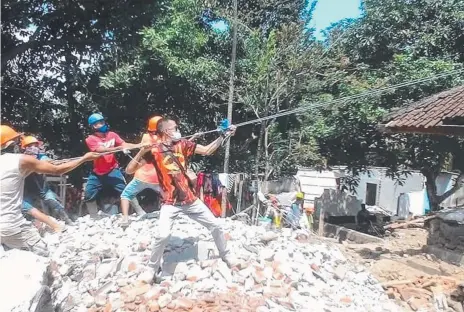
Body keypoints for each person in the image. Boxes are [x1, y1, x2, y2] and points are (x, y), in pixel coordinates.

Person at [137, 118, 238, 283]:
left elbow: (206, 150)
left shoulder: (183, 144)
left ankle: (227, 255)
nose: (178, 130)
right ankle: (151, 269)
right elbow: (129, 169)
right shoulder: (154, 151)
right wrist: (141, 152)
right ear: (165, 131)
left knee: (216, 225)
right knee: (162, 236)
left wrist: (224, 136)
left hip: (190, 200)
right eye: (174, 128)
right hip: (170, 202)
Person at [0, 125, 99, 256]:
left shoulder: (23, 160)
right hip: (11, 226)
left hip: (11, 218)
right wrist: (84, 159)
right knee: (42, 254)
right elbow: (58, 170)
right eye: (18, 141)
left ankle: (64, 222)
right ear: (10, 144)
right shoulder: (21, 160)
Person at [120, 116, 201, 226]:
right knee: (171, 197)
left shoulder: (146, 138)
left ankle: (125, 218)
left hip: (142, 176)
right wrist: (191, 139)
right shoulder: (165, 139)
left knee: (126, 195)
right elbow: (177, 147)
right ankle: (182, 213)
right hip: (158, 178)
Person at [83, 113, 141, 218]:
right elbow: (101, 151)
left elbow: (124, 144)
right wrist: (119, 148)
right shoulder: (90, 139)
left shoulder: (112, 135)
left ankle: (140, 211)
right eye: (98, 123)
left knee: (126, 190)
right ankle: (93, 217)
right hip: (97, 173)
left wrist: (139, 145)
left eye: (102, 122)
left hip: (113, 170)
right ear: (93, 127)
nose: (102, 124)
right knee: (88, 193)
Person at [21, 136, 75, 226]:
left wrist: (51, 162)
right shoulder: (22, 159)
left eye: (35, 146)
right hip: (26, 190)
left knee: (53, 202)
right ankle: (27, 225)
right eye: (30, 146)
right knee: (25, 207)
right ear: (24, 148)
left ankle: (67, 220)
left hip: (43, 189)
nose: (33, 148)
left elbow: (48, 161)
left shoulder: (41, 157)